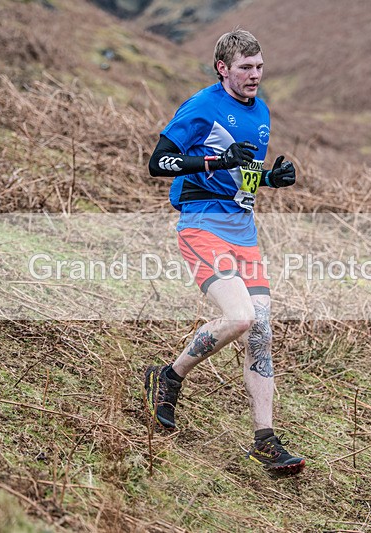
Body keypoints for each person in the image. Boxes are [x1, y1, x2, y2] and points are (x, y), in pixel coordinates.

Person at [144, 29, 305, 477]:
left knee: (262, 332)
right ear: (223, 69)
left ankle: (264, 440)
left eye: (259, 67)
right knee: (241, 318)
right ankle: (169, 376)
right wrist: (217, 161)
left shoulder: (262, 112)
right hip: (202, 225)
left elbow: (244, 177)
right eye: (245, 69)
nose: (255, 75)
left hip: (243, 232)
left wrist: (272, 179)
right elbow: (158, 162)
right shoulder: (202, 107)